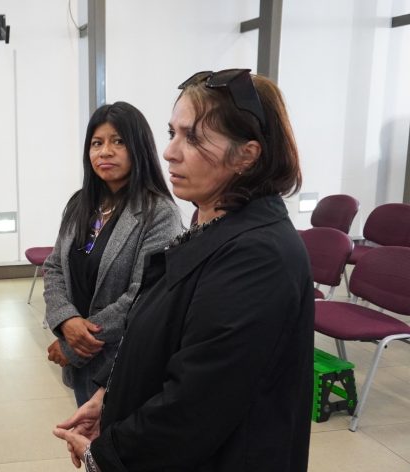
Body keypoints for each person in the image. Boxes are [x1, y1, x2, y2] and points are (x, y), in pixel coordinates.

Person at [53, 69, 314, 471]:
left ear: (247, 154)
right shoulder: (210, 223)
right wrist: (110, 397)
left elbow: (196, 404)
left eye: (192, 138)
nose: (170, 151)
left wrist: (104, 455)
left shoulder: (259, 256)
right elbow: (162, 335)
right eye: (172, 133)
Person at [43, 101, 183, 406]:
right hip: (83, 363)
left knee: (116, 447)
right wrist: (66, 321)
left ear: (139, 148)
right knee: (88, 444)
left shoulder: (159, 213)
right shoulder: (80, 203)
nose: (105, 151)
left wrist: (73, 344)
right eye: (97, 143)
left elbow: (144, 295)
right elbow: (54, 266)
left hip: (124, 362)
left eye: (118, 141)